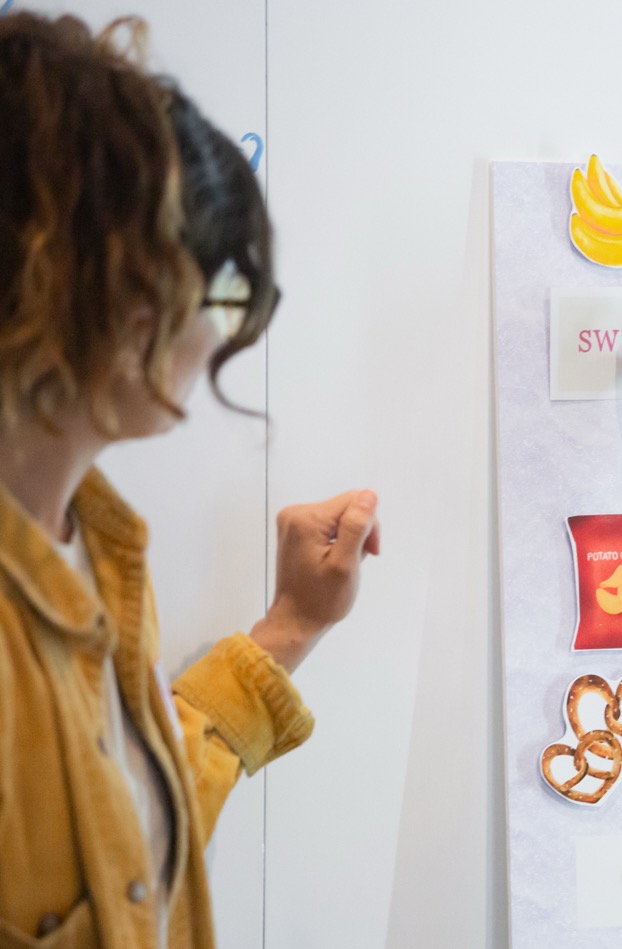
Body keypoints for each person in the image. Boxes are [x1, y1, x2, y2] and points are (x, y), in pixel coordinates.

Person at [0, 13, 378, 947]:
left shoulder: (89, 541)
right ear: (116, 293)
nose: (223, 334)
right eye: (227, 290)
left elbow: (122, 864)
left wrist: (289, 627)